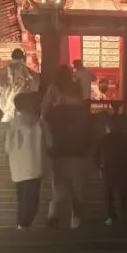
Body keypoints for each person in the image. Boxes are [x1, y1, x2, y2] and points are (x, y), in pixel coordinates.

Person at [42, 75, 91, 229]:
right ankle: (75, 219)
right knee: (78, 191)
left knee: (58, 190)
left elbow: (47, 133)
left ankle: (53, 216)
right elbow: (91, 135)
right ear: (78, 95)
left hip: (59, 157)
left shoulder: (54, 113)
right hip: (79, 156)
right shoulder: (84, 113)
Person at [4, 91, 45, 229]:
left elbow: (7, 147)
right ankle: (23, 226)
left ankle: (21, 226)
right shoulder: (38, 122)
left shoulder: (12, 124)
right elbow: (50, 143)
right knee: (32, 202)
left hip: (17, 169)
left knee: (22, 200)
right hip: (34, 166)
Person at [94, 114, 127, 226]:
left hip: (108, 171)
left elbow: (96, 156)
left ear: (108, 128)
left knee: (108, 195)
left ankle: (111, 216)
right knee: (123, 196)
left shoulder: (103, 140)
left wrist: (99, 168)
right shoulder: (126, 140)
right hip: (123, 171)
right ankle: (124, 215)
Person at [0, 48, 39, 122]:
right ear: (23, 57)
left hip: (8, 100)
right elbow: (35, 84)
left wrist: (3, 88)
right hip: (23, 102)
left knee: (8, 119)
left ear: (12, 57)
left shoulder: (4, 70)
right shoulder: (28, 71)